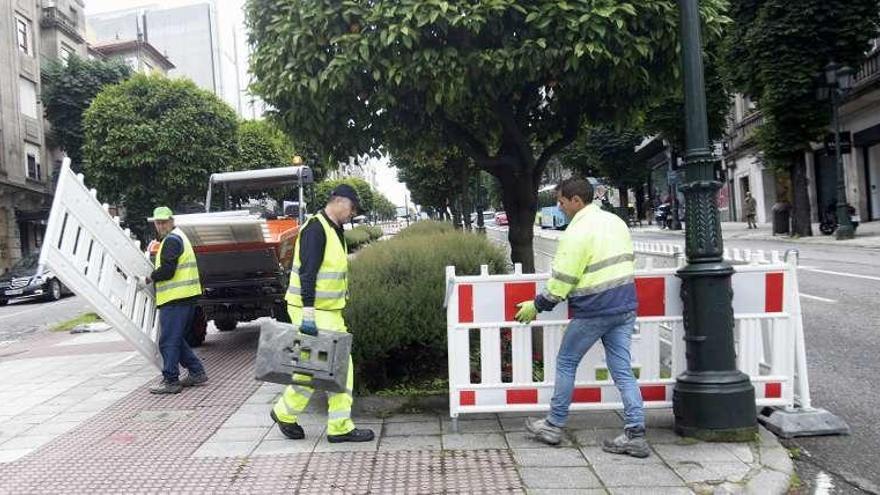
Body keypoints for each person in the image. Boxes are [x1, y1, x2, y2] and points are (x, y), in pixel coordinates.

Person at [514, 177, 649, 458]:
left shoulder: (577, 232)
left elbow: (563, 280)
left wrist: (537, 305)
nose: (560, 208)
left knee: (566, 362)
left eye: (562, 202)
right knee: (622, 370)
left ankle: (553, 425)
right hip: (624, 306)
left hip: (594, 309)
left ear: (577, 201)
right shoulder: (615, 222)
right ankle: (635, 433)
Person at [270, 184, 375, 443]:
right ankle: (339, 426)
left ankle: (284, 412)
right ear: (339, 202)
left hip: (326, 309)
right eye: (351, 208)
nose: (352, 214)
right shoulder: (316, 229)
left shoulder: (333, 228)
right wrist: (308, 313)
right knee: (340, 365)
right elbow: (308, 273)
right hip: (313, 309)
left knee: (311, 367)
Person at [139, 206, 208, 394]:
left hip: (177, 298)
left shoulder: (171, 241)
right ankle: (196, 372)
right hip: (183, 296)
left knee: (168, 341)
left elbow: (168, 271)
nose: (161, 225)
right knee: (175, 339)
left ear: (172, 221)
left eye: (164, 222)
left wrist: (148, 278)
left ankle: (171, 381)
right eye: (158, 222)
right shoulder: (177, 237)